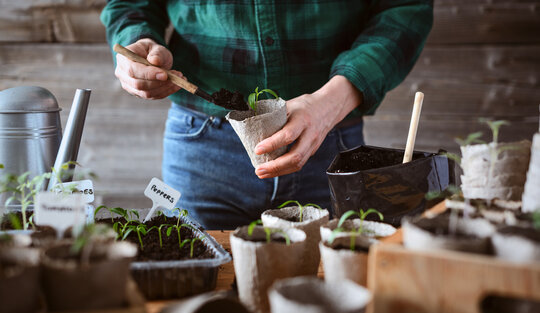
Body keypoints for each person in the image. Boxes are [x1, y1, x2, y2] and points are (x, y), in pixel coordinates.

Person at [101, 1, 433, 229]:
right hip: (201, 148)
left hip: (330, 144)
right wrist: (136, 43)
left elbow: (404, 10)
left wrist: (333, 100)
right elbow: (130, 5)